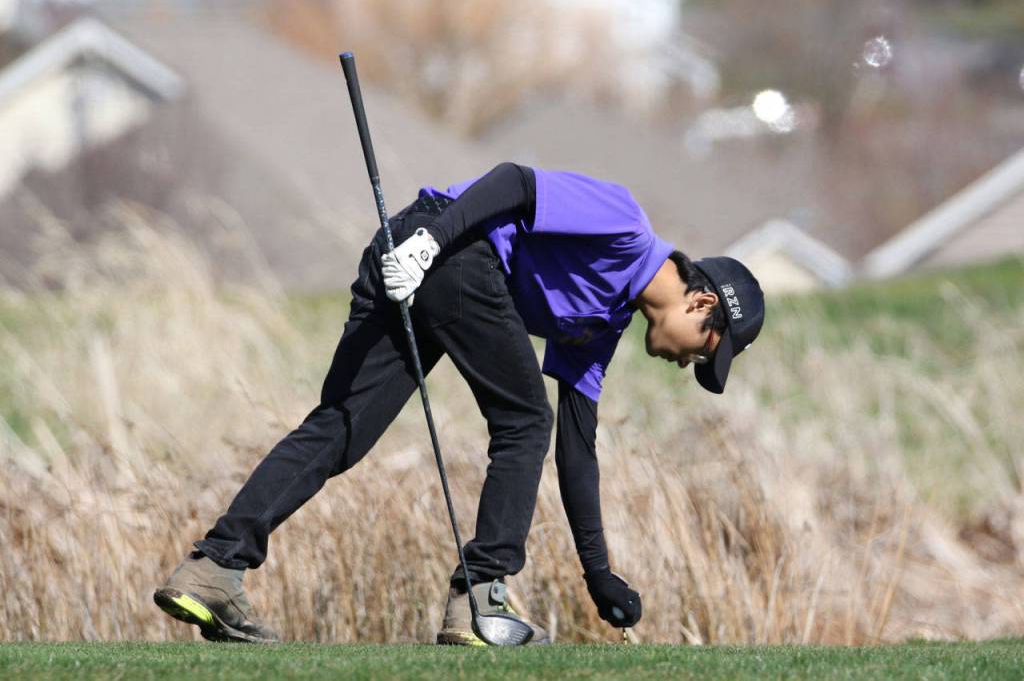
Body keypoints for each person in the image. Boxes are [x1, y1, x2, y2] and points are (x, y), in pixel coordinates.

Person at [153, 162, 765, 645]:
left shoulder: (600, 328)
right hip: (437, 242)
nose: (693, 364)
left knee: (343, 426)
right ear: (703, 304)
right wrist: (426, 246)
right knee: (522, 420)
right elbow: (513, 183)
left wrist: (597, 573)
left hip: (429, 255)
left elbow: (577, 453)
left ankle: (212, 568)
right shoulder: (624, 223)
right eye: (707, 351)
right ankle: (481, 602)